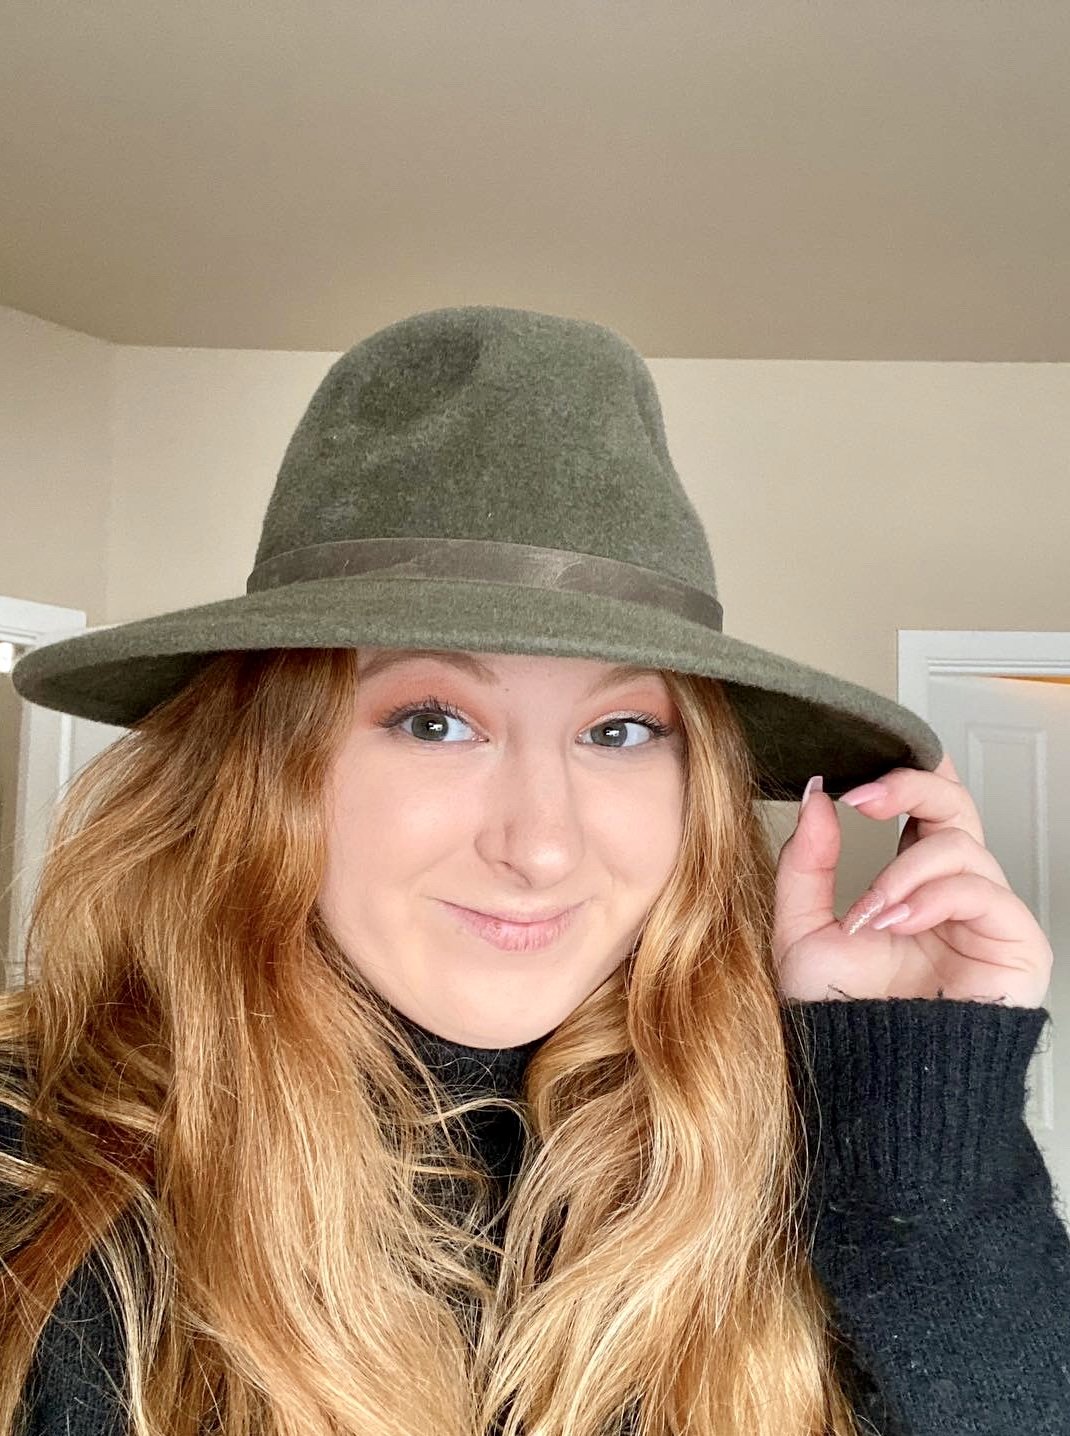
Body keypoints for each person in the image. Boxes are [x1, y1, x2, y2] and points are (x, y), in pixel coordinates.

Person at [2, 305, 1067, 1436]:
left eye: (619, 731)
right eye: (434, 721)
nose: (542, 845)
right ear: (259, 764)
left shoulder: (814, 1155)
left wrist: (925, 1144)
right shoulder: (44, 1173)